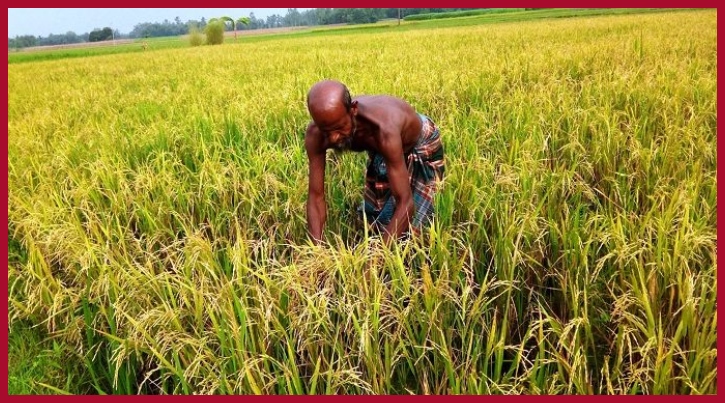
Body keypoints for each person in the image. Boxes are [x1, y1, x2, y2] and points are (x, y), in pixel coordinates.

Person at [304, 79, 445, 245]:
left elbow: (405, 203)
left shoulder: (382, 130)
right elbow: (315, 196)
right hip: (383, 147)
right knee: (377, 221)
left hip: (419, 140)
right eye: (326, 131)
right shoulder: (316, 135)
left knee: (415, 232)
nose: (334, 138)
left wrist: (378, 258)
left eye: (339, 127)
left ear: (353, 110)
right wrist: (316, 251)